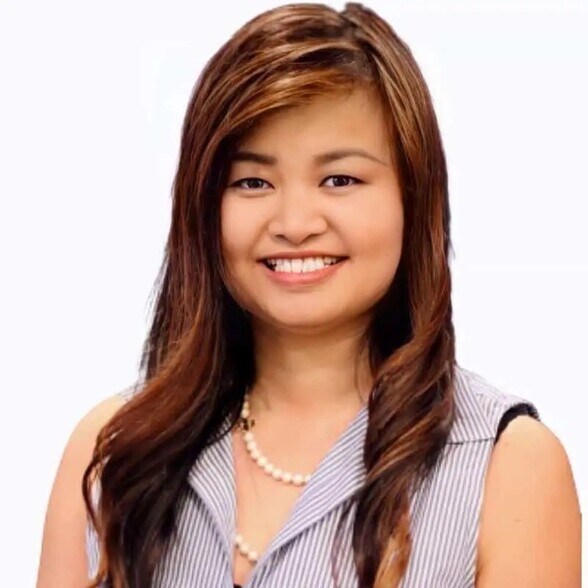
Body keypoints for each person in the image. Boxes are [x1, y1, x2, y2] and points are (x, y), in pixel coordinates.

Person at [36, 3, 581, 587]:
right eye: (252, 182)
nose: (294, 223)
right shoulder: (114, 452)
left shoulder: (507, 465)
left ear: (414, 196)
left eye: (340, 179)